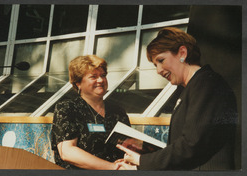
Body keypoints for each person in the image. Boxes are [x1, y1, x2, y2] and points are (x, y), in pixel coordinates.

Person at [116, 27, 238, 170]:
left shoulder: (207, 83)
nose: (158, 71)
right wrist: (146, 154)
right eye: (155, 65)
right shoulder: (193, 87)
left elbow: (192, 145)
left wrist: (142, 162)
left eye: (161, 60)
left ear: (182, 53)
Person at [51, 55, 130, 170]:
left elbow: (129, 147)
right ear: (78, 83)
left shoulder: (117, 111)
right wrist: (112, 168)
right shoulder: (67, 108)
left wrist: (126, 161)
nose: (101, 80)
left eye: (103, 75)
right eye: (93, 77)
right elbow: (67, 152)